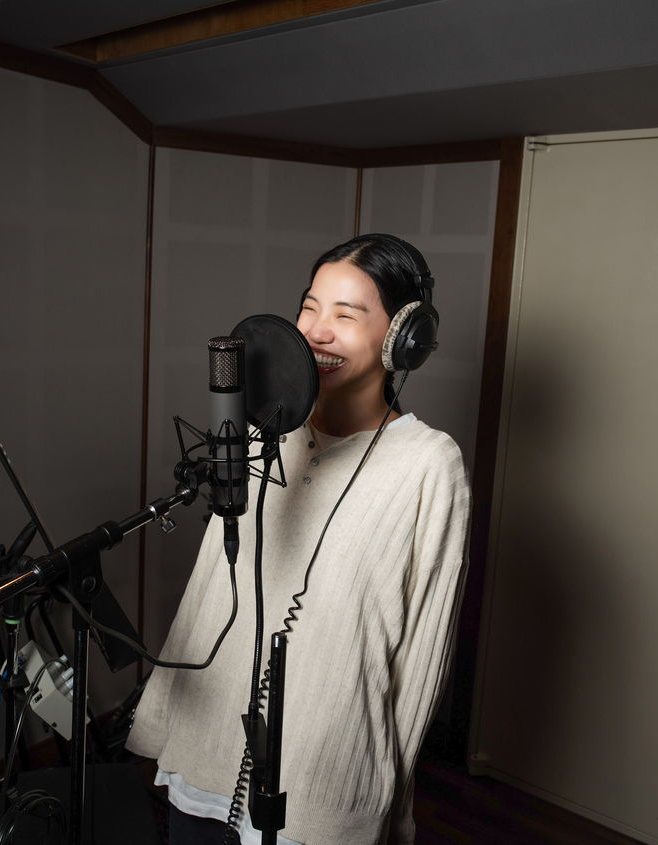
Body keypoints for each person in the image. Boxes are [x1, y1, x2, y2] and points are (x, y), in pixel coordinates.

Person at [127, 234, 471, 845]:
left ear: (404, 337)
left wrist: (388, 797)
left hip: (325, 775)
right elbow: (211, 589)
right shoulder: (262, 430)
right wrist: (167, 720)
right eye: (310, 307)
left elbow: (425, 645)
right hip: (206, 746)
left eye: (346, 315)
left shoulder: (428, 463)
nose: (316, 332)